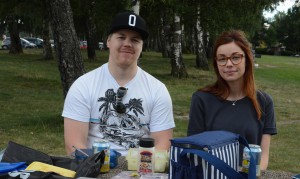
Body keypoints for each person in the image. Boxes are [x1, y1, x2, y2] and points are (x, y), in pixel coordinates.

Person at [62, 11, 175, 156]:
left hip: (143, 171)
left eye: (135, 40)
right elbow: (74, 146)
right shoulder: (83, 86)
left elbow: (162, 144)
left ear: (141, 46)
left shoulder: (158, 90)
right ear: (108, 41)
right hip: (93, 172)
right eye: (121, 37)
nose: (127, 44)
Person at [187, 30, 277, 170]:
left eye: (235, 57)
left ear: (247, 60)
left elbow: (263, 156)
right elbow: (195, 150)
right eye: (222, 59)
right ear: (216, 64)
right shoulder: (201, 99)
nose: (228, 64)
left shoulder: (264, 101)